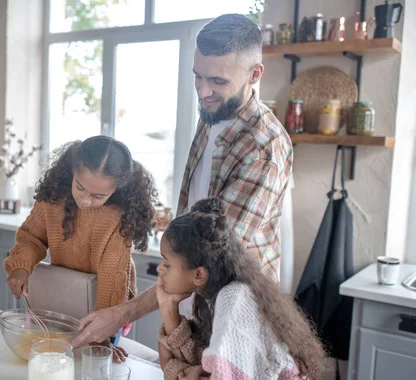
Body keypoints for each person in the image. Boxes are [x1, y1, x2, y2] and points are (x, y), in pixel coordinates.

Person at [72, 13, 293, 350]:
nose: (204, 91)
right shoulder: (212, 116)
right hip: (200, 306)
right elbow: (193, 221)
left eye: (217, 81)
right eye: (198, 77)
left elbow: (205, 255)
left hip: (239, 320)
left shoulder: (264, 147)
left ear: (254, 74)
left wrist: (121, 313)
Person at [4, 135, 157, 360]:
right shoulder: (52, 200)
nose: (85, 200)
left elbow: (111, 278)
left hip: (106, 303)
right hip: (66, 298)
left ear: (117, 188)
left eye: (98, 196)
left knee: (86, 359)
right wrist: (21, 266)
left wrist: (102, 338)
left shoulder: (117, 219)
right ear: (73, 170)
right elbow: (31, 236)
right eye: (80, 187)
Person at [156, 198, 324, 380]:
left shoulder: (235, 300)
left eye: (167, 263)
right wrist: (168, 308)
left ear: (199, 274)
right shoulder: (216, 295)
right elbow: (204, 364)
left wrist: (170, 369)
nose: (159, 269)